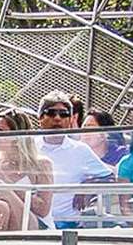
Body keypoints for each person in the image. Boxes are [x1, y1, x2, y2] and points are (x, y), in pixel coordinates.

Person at [34, 91, 115, 228]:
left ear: (71, 120)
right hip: (34, 222)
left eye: (64, 114)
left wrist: (87, 187)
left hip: (67, 223)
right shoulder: (29, 147)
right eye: (52, 113)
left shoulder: (80, 150)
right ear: (40, 118)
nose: (58, 118)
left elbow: (110, 177)